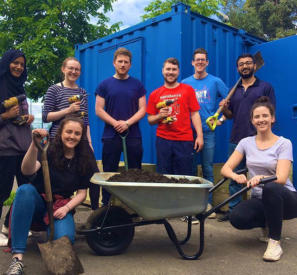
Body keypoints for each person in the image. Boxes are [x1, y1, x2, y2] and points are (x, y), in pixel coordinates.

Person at [4, 116, 94, 275]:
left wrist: (66, 208)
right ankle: (17, 259)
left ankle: (48, 236)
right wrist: (33, 145)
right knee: (24, 190)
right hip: (37, 202)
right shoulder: (48, 150)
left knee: (66, 240)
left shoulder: (84, 159)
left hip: (60, 206)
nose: (72, 136)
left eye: (77, 133)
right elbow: (27, 170)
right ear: (61, 133)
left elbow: (82, 193)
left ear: (81, 136)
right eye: (68, 132)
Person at [221, 96, 297, 262]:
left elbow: (282, 178)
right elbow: (225, 168)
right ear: (252, 120)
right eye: (257, 117)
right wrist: (236, 175)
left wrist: (262, 177)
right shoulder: (246, 143)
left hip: (287, 200)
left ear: (272, 118)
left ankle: (274, 242)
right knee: (237, 217)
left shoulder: (284, 143)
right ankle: (267, 223)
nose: (261, 120)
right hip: (260, 198)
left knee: (271, 187)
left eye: (265, 116)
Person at [219, 53, 276, 221]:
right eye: (241, 64)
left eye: (248, 63)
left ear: (254, 66)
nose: (245, 66)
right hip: (237, 138)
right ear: (238, 68)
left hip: (258, 139)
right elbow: (230, 115)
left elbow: (270, 113)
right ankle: (233, 210)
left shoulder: (265, 87)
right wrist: (224, 109)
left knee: (260, 175)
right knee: (234, 175)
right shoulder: (233, 91)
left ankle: (262, 210)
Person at [42, 57, 99, 210]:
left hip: (80, 140)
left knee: (94, 174)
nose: (74, 72)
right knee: (57, 176)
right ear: (63, 69)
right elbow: (46, 116)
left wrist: (89, 143)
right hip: (57, 140)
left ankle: (96, 213)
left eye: (77, 69)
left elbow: (85, 121)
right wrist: (68, 110)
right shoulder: (54, 89)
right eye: (71, 68)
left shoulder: (82, 92)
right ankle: (54, 208)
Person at [95, 47, 146, 206]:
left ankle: (134, 205)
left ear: (130, 64)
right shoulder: (104, 84)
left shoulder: (137, 85)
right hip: (111, 135)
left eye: (126, 62)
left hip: (133, 135)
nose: (123, 64)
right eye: (120, 61)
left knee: (135, 171)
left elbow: (143, 109)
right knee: (109, 171)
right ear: (114, 63)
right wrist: (115, 123)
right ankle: (107, 205)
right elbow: (98, 109)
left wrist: (127, 123)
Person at [182, 48, 228, 218]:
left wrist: (221, 120)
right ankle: (192, 205)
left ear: (207, 62)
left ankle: (206, 204)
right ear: (192, 63)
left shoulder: (215, 82)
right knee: (191, 169)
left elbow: (230, 102)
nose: (200, 62)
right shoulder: (185, 83)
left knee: (207, 168)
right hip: (189, 133)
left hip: (208, 132)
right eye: (197, 60)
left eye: (203, 60)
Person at [147, 57, 203, 176]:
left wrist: (200, 136)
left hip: (184, 140)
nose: (170, 72)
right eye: (168, 69)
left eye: (174, 69)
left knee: (185, 176)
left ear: (178, 72)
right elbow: (150, 120)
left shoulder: (188, 90)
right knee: (164, 175)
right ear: (163, 71)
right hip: (163, 140)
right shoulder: (154, 94)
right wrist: (159, 116)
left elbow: (195, 113)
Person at [0, 49, 34, 246]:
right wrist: (5, 116)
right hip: (4, 148)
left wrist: (27, 118)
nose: (19, 67)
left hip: (23, 147)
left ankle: (9, 225)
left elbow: (19, 116)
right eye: (16, 63)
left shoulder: (19, 87)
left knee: (26, 189)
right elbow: (7, 117)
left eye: (22, 64)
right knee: (2, 191)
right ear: (6, 63)